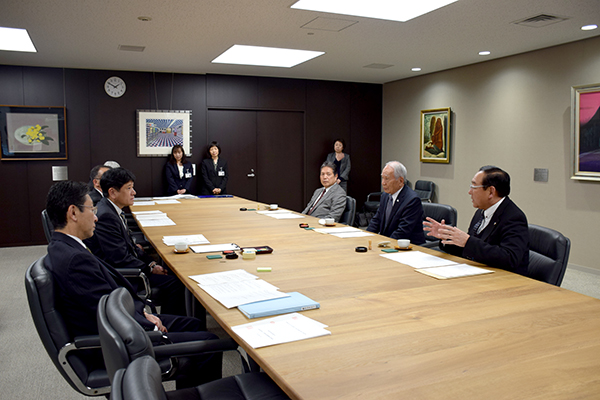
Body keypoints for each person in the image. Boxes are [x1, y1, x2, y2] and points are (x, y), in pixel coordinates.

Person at [45, 180, 221, 388]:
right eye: (91, 209)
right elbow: (106, 313)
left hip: (125, 324)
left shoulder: (65, 247)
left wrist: (143, 312)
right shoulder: (74, 260)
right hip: (117, 345)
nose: (96, 216)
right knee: (211, 343)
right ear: (73, 213)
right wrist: (149, 325)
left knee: (194, 324)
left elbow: (106, 298)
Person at [84, 167, 187, 316]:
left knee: (173, 273)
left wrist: (151, 263)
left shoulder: (112, 209)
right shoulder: (106, 216)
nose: (134, 192)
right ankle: (171, 326)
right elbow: (120, 258)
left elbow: (130, 245)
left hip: (127, 267)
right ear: (112, 192)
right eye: (129, 188)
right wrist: (150, 268)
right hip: (123, 277)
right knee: (176, 283)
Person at [423, 165, 529, 274]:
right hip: (478, 271)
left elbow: (510, 258)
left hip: (504, 280)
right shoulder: (481, 211)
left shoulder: (514, 217)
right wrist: (448, 237)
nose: (469, 192)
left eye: (474, 187)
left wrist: (468, 241)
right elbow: (471, 250)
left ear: (491, 192)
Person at [366, 161, 426, 244]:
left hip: (408, 248)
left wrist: (384, 244)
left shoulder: (412, 200)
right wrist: (366, 237)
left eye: (387, 179)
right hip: (389, 243)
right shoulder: (385, 195)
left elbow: (402, 231)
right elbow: (377, 220)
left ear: (400, 181)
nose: (383, 182)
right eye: (382, 178)